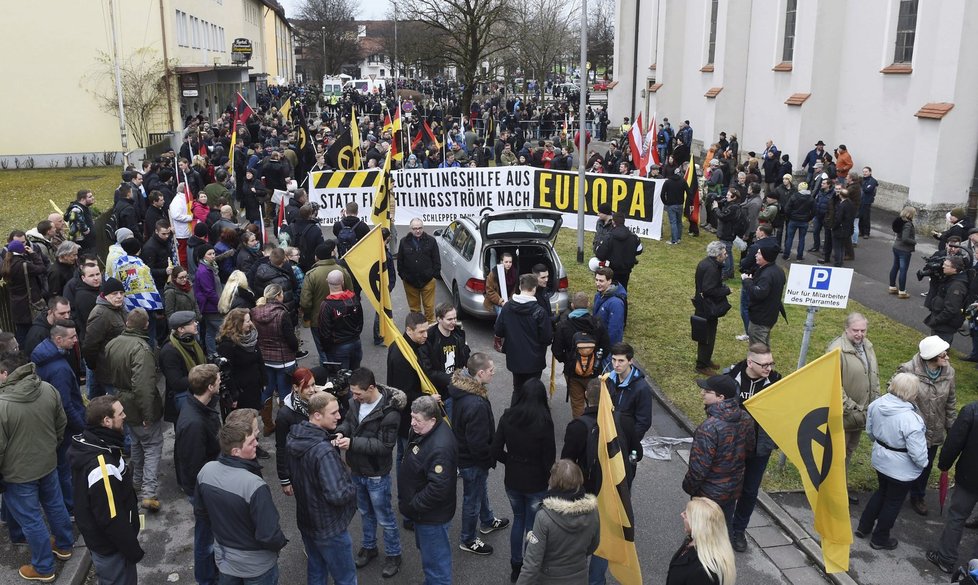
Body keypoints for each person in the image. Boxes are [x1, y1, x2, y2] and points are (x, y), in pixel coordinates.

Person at [0, 352, 75, 582]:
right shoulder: (47, 388)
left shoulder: (2, 405)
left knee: (31, 519)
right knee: (55, 505)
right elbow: (61, 423)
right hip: (48, 463)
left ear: (5, 374)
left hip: (18, 474)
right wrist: (51, 447)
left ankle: (43, 567)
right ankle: (64, 545)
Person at [195, 413, 288, 583]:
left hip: (225, 561)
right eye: (251, 442)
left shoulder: (205, 472)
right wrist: (280, 543)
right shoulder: (254, 485)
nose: (257, 444)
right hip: (257, 566)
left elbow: (202, 513)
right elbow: (269, 534)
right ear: (236, 451)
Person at [334, 368, 406, 578]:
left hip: (376, 474)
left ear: (371, 388)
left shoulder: (389, 413)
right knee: (365, 513)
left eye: (358, 393)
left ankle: (394, 554)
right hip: (357, 469)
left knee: (385, 517)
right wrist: (341, 431)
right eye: (353, 393)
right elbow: (349, 422)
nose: (354, 397)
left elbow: (385, 446)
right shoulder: (355, 402)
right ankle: (369, 547)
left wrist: (352, 442)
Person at [69, 396, 144, 585]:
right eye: (120, 413)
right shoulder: (102, 466)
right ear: (107, 421)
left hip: (106, 544)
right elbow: (111, 518)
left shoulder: (100, 444)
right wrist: (132, 549)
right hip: (113, 549)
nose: (125, 416)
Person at [286, 391, 358, 584]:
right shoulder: (323, 451)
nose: (339, 416)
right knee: (346, 578)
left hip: (307, 521)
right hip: (329, 527)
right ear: (317, 415)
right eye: (333, 413)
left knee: (317, 570)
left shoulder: (294, 437)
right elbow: (337, 494)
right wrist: (352, 484)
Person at [491, 379, 556, 582]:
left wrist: (510, 460)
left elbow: (494, 449)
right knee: (532, 525)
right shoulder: (545, 421)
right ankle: (529, 565)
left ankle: (515, 564)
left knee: (518, 520)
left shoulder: (508, 416)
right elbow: (550, 458)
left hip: (513, 479)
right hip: (536, 481)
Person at [101, 309, 165, 513]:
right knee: (152, 445)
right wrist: (148, 414)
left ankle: (136, 482)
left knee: (137, 443)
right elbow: (143, 386)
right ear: (145, 325)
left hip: (122, 402)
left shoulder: (113, 344)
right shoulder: (141, 349)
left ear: (128, 323)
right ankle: (148, 492)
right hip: (138, 405)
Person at [856, 373, 929, 550]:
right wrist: (924, 464)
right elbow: (918, 454)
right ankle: (880, 538)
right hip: (902, 468)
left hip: (881, 460)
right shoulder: (912, 420)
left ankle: (863, 526)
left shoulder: (877, 404)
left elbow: (871, 432)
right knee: (893, 502)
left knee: (882, 492)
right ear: (911, 393)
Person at [449, 353, 510, 555]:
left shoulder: (462, 390)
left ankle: (487, 521)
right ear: (481, 373)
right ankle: (467, 539)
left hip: (466, 456)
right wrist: (488, 460)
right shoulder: (475, 404)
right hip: (472, 461)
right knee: (472, 499)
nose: (494, 374)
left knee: (479, 489)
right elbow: (477, 443)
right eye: (491, 371)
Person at [726, 343, 782, 552]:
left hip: (760, 449)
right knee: (729, 489)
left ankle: (738, 530)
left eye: (771, 363)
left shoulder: (777, 382)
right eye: (764, 364)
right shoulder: (731, 378)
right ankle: (722, 527)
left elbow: (784, 413)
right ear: (750, 362)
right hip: (733, 447)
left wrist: (774, 441)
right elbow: (715, 407)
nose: (769, 368)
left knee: (750, 491)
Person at [398, 395, 458, 585]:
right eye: (412, 417)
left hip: (431, 517)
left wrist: (414, 505)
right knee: (430, 558)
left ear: (433, 419)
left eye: (418, 420)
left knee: (437, 566)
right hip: (424, 515)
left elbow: (438, 488)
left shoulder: (440, 447)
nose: (413, 423)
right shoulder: (425, 431)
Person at [896, 336, 957, 517]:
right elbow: (895, 398)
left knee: (926, 464)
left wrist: (951, 427)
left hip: (935, 430)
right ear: (931, 357)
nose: (948, 358)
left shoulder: (949, 372)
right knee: (905, 462)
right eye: (944, 355)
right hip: (913, 430)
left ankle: (917, 496)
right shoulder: (907, 370)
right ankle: (896, 494)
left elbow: (951, 401)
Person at [683, 375, 754, 529]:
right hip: (732, 491)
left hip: (707, 495)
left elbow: (698, 469)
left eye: (707, 391)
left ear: (720, 397)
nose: (702, 393)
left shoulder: (709, 428)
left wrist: (688, 487)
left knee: (701, 539)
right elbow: (749, 451)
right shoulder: (746, 418)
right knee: (722, 533)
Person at [174, 364, 223, 584]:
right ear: (210, 386)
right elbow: (195, 467)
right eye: (218, 380)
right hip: (202, 490)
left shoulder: (198, 407)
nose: (221, 381)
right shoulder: (194, 423)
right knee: (205, 539)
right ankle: (206, 579)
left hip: (204, 485)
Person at [31, 320, 85, 517]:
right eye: (72, 337)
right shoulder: (59, 368)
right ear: (58, 339)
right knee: (66, 469)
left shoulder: (43, 356)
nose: (76, 340)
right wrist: (81, 427)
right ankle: (71, 507)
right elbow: (65, 404)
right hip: (66, 428)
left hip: (52, 424)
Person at [515, 460, 599, 585]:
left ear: (554, 482)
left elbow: (532, 563)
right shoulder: (592, 511)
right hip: (579, 577)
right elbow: (594, 545)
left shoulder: (544, 517)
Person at [826, 312, 880, 503]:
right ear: (846, 329)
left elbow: (873, 374)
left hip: (861, 414)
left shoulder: (867, 345)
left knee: (848, 452)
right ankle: (832, 494)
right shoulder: (837, 349)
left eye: (863, 330)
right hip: (846, 414)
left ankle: (840, 489)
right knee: (837, 456)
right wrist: (852, 407)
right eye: (855, 330)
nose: (860, 334)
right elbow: (832, 384)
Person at [927, 397, 978, 574]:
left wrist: (944, 465)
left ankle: (945, 558)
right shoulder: (971, 411)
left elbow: (954, 442)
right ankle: (976, 568)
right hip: (970, 476)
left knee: (957, 516)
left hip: (970, 477)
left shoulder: (972, 410)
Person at [495, 274, 553, 403]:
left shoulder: (507, 307)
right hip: (534, 360)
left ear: (520, 287)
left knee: (517, 388)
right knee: (533, 391)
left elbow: (499, 330)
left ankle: (515, 416)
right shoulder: (540, 312)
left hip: (514, 358)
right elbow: (547, 338)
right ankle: (531, 418)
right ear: (534, 288)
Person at [552, 292, 612, 418]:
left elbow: (556, 350)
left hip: (572, 372)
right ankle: (596, 430)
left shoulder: (564, 325)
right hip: (594, 372)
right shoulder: (597, 323)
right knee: (595, 403)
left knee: (577, 403)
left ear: (572, 305)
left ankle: (580, 430)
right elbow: (606, 347)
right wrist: (596, 360)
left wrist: (568, 360)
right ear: (588, 304)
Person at [387, 312, 435, 466]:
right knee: (406, 457)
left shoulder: (404, 344)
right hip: (407, 416)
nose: (426, 335)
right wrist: (429, 399)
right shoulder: (402, 356)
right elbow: (405, 393)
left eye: (426, 330)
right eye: (421, 332)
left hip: (407, 414)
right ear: (409, 330)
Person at [252, 283, 299, 428]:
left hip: (265, 359)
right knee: (285, 394)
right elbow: (291, 340)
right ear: (278, 296)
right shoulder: (282, 314)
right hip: (284, 360)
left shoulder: (254, 312)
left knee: (267, 391)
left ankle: (267, 425)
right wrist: (295, 348)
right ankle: (284, 424)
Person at [605, 342, 654, 475]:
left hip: (625, 444)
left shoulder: (641, 388)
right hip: (607, 438)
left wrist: (628, 440)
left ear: (630, 361)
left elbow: (644, 421)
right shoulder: (608, 379)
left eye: (621, 361)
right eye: (614, 360)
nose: (616, 365)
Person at [665, 497, 737, 585]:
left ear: (697, 524)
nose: (682, 514)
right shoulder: (693, 541)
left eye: (686, 514)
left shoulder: (703, 572)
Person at [83, 277, 128, 398]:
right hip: (108, 371)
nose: (119, 296)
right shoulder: (100, 314)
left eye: (121, 293)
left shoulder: (120, 308)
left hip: (121, 369)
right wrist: (94, 366)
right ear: (106, 295)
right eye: (115, 293)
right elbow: (90, 345)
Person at [158, 310, 207, 419]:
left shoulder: (192, 342)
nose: (196, 324)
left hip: (198, 396)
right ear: (181, 329)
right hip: (184, 403)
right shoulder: (169, 351)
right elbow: (177, 382)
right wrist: (204, 376)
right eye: (192, 323)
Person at [216, 308, 266, 412]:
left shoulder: (251, 338)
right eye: (247, 321)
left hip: (255, 387)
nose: (251, 323)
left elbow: (259, 359)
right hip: (241, 392)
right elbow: (226, 374)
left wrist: (264, 380)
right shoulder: (227, 345)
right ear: (238, 324)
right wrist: (234, 395)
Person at [693, 242, 732, 375]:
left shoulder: (707, 263)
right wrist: (726, 290)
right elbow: (709, 289)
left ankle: (706, 359)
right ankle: (702, 365)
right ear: (718, 255)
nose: (726, 255)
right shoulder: (712, 268)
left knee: (709, 333)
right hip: (707, 307)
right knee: (707, 335)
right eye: (724, 253)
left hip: (704, 305)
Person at [0, 239, 47, 344]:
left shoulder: (5, 265)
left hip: (15, 304)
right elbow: (41, 268)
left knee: (21, 332)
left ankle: (20, 355)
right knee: (33, 331)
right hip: (28, 304)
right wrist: (33, 254)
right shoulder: (24, 265)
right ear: (22, 250)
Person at [317, 270, 364, 370]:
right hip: (356, 343)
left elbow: (324, 332)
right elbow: (360, 321)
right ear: (342, 282)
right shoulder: (354, 299)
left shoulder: (326, 305)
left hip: (338, 347)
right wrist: (355, 335)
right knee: (355, 377)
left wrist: (327, 349)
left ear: (327, 281)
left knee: (341, 380)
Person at [740, 247, 786, 347]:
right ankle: (763, 362)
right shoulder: (778, 270)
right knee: (763, 345)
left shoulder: (766, 275)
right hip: (770, 315)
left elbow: (759, 294)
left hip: (761, 317)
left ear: (766, 256)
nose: (756, 255)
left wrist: (747, 282)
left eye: (759, 253)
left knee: (758, 348)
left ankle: (760, 363)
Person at [397, 218, 441, 322]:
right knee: (415, 311)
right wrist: (403, 276)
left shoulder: (431, 241)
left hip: (428, 282)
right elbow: (400, 261)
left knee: (429, 310)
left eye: (420, 228)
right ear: (410, 229)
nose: (417, 231)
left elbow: (436, 260)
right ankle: (417, 332)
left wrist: (434, 275)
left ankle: (430, 332)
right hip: (410, 282)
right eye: (415, 228)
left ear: (423, 228)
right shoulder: (404, 242)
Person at [924, 255, 968, 344]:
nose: (943, 266)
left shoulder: (956, 286)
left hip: (944, 326)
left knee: (938, 350)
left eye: (946, 265)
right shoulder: (950, 279)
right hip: (941, 323)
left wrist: (935, 321)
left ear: (955, 269)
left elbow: (951, 310)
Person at [595, 212, 642, 289]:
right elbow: (639, 250)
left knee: (609, 291)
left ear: (613, 222)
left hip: (611, 270)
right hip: (626, 271)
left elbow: (600, 254)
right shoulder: (634, 237)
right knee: (623, 290)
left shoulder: (608, 237)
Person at [195, 245, 224, 354]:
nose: (213, 256)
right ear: (203, 256)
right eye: (209, 254)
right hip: (211, 307)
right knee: (222, 330)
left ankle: (212, 353)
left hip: (210, 305)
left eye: (213, 253)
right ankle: (215, 353)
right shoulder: (204, 271)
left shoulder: (211, 266)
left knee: (210, 332)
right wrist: (221, 303)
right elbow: (209, 292)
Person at [593, 267, 627, 345]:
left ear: (609, 281)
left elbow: (615, 329)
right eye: (596, 280)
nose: (597, 283)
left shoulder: (616, 303)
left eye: (601, 281)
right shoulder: (598, 295)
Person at [889, 206, 917, 299]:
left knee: (895, 267)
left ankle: (892, 287)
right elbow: (905, 238)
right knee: (903, 270)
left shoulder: (900, 220)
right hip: (904, 250)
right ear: (910, 214)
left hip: (896, 246)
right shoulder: (908, 224)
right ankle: (902, 291)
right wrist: (914, 242)